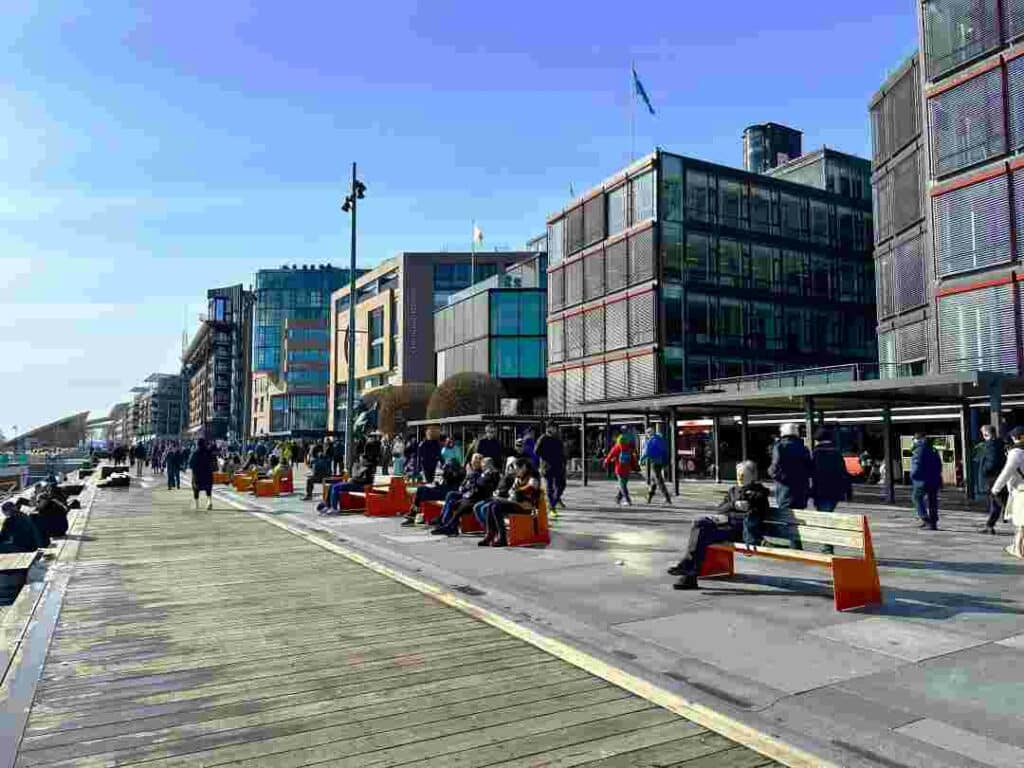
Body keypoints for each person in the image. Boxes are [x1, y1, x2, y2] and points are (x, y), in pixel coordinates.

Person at [668, 460, 770, 590]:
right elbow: (720, 508)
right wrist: (733, 505)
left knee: (702, 534)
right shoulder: (733, 490)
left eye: (743, 474)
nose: (739, 477)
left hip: (742, 531)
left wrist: (747, 505)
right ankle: (689, 573)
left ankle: (689, 572)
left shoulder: (759, 493)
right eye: (738, 474)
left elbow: (761, 513)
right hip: (726, 525)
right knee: (700, 525)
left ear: (753, 476)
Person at [480, 460, 542, 547]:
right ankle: (491, 535)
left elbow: (531, 487)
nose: (515, 471)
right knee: (492, 505)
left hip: (526, 507)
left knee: (495, 506)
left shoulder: (533, 477)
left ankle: (502, 538)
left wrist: (518, 491)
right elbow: (511, 492)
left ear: (523, 467)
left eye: (517, 468)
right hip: (516, 503)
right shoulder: (518, 478)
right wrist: (512, 494)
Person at [431, 454, 498, 535]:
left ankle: (447, 525)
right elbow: (468, 483)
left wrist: (468, 487)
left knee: (455, 503)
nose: (478, 463)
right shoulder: (475, 472)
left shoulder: (486, 473)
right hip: (470, 495)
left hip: (476, 497)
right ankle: (448, 525)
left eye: (480, 462)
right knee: (451, 498)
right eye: (474, 460)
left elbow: (479, 485)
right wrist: (463, 487)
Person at [809, 429, 852, 554]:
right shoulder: (836, 452)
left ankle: (827, 546)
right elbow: (844, 473)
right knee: (827, 515)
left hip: (820, 491)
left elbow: (810, 472)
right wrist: (847, 491)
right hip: (834, 491)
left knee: (824, 518)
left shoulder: (816, 453)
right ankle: (827, 545)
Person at [768, 423, 812, 526]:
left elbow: (774, 468)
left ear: (783, 433)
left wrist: (778, 477)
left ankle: (794, 541)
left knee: (788, 519)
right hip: (801, 489)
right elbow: (809, 468)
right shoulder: (803, 448)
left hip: (785, 490)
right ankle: (796, 541)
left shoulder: (779, 447)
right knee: (798, 518)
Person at [991, 426, 1024, 558]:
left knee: (1021, 523)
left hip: (1021, 491)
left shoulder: (1016, 452)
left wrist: (996, 489)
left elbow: (1007, 472)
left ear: (1015, 437)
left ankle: (1018, 549)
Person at [401, 459, 464, 526]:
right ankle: (413, 513)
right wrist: (439, 482)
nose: (446, 469)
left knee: (421, 492)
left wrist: (449, 475)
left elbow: (455, 484)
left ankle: (413, 513)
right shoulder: (448, 473)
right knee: (420, 489)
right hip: (441, 490)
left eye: (448, 467)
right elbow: (442, 482)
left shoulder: (459, 473)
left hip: (446, 493)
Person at [980, 424, 1008, 535]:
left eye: (983, 433)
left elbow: (992, 462)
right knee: (996, 501)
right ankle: (989, 525)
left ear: (986, 433)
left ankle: (992, 524)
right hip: (999, 476)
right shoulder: (1000, 443)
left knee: (999, 500)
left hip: (993, 477)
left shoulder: (991, 445)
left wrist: (985, 470)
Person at [910, 433, 942, 530]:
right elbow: (939, 465)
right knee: (932, 500)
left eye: (915, 440)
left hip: (921, 481)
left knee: (916, 497)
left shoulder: (918, 451)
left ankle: (925, 518)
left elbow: (916, 467)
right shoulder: (933, 449)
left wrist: (913, 476)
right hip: (934, 480)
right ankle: (933, 523)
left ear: (918, 440)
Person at [535, 423, 567, 512]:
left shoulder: (557, 438)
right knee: (550, 486)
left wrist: (564, 463)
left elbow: (562, 452)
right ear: (549, 428)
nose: (555, 430)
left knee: (561, 485)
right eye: (553, 428)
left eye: (556, 428)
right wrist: (546, 459)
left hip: (558, 465)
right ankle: (552, 504)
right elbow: (536, 451)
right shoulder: (543, 438)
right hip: (547, 466)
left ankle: (554, 501)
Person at [603, 434, 638, 506]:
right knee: (623, 484)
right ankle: (618, 498)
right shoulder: (629, 448)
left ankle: (628, 501)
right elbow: (632, 459)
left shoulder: (617, 447)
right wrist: (635, 467)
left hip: (619, 469)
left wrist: (605, 463)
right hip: (627, 469)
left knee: (622, 486)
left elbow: (610, 455)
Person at [640, 426, 672, 505]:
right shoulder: (661, 439)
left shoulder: (651, 440)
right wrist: (665, 462)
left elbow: (647, 451)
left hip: (654, 462)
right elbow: (665, 450)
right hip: (661, 462)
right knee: (654, 480)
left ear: (649, 433)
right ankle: (649, 497)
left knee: (658, 480)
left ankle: (667, 498)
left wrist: (641, 459)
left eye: (647, 433)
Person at [188, 438, 216, 511]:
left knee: (196, 489)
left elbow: (190, 464)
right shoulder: (208, 452)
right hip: (207, 474)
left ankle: (196, 504)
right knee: (208, 489)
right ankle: (209, 502)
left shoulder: (195, 453)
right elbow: (213, 459)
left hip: (197, 475)